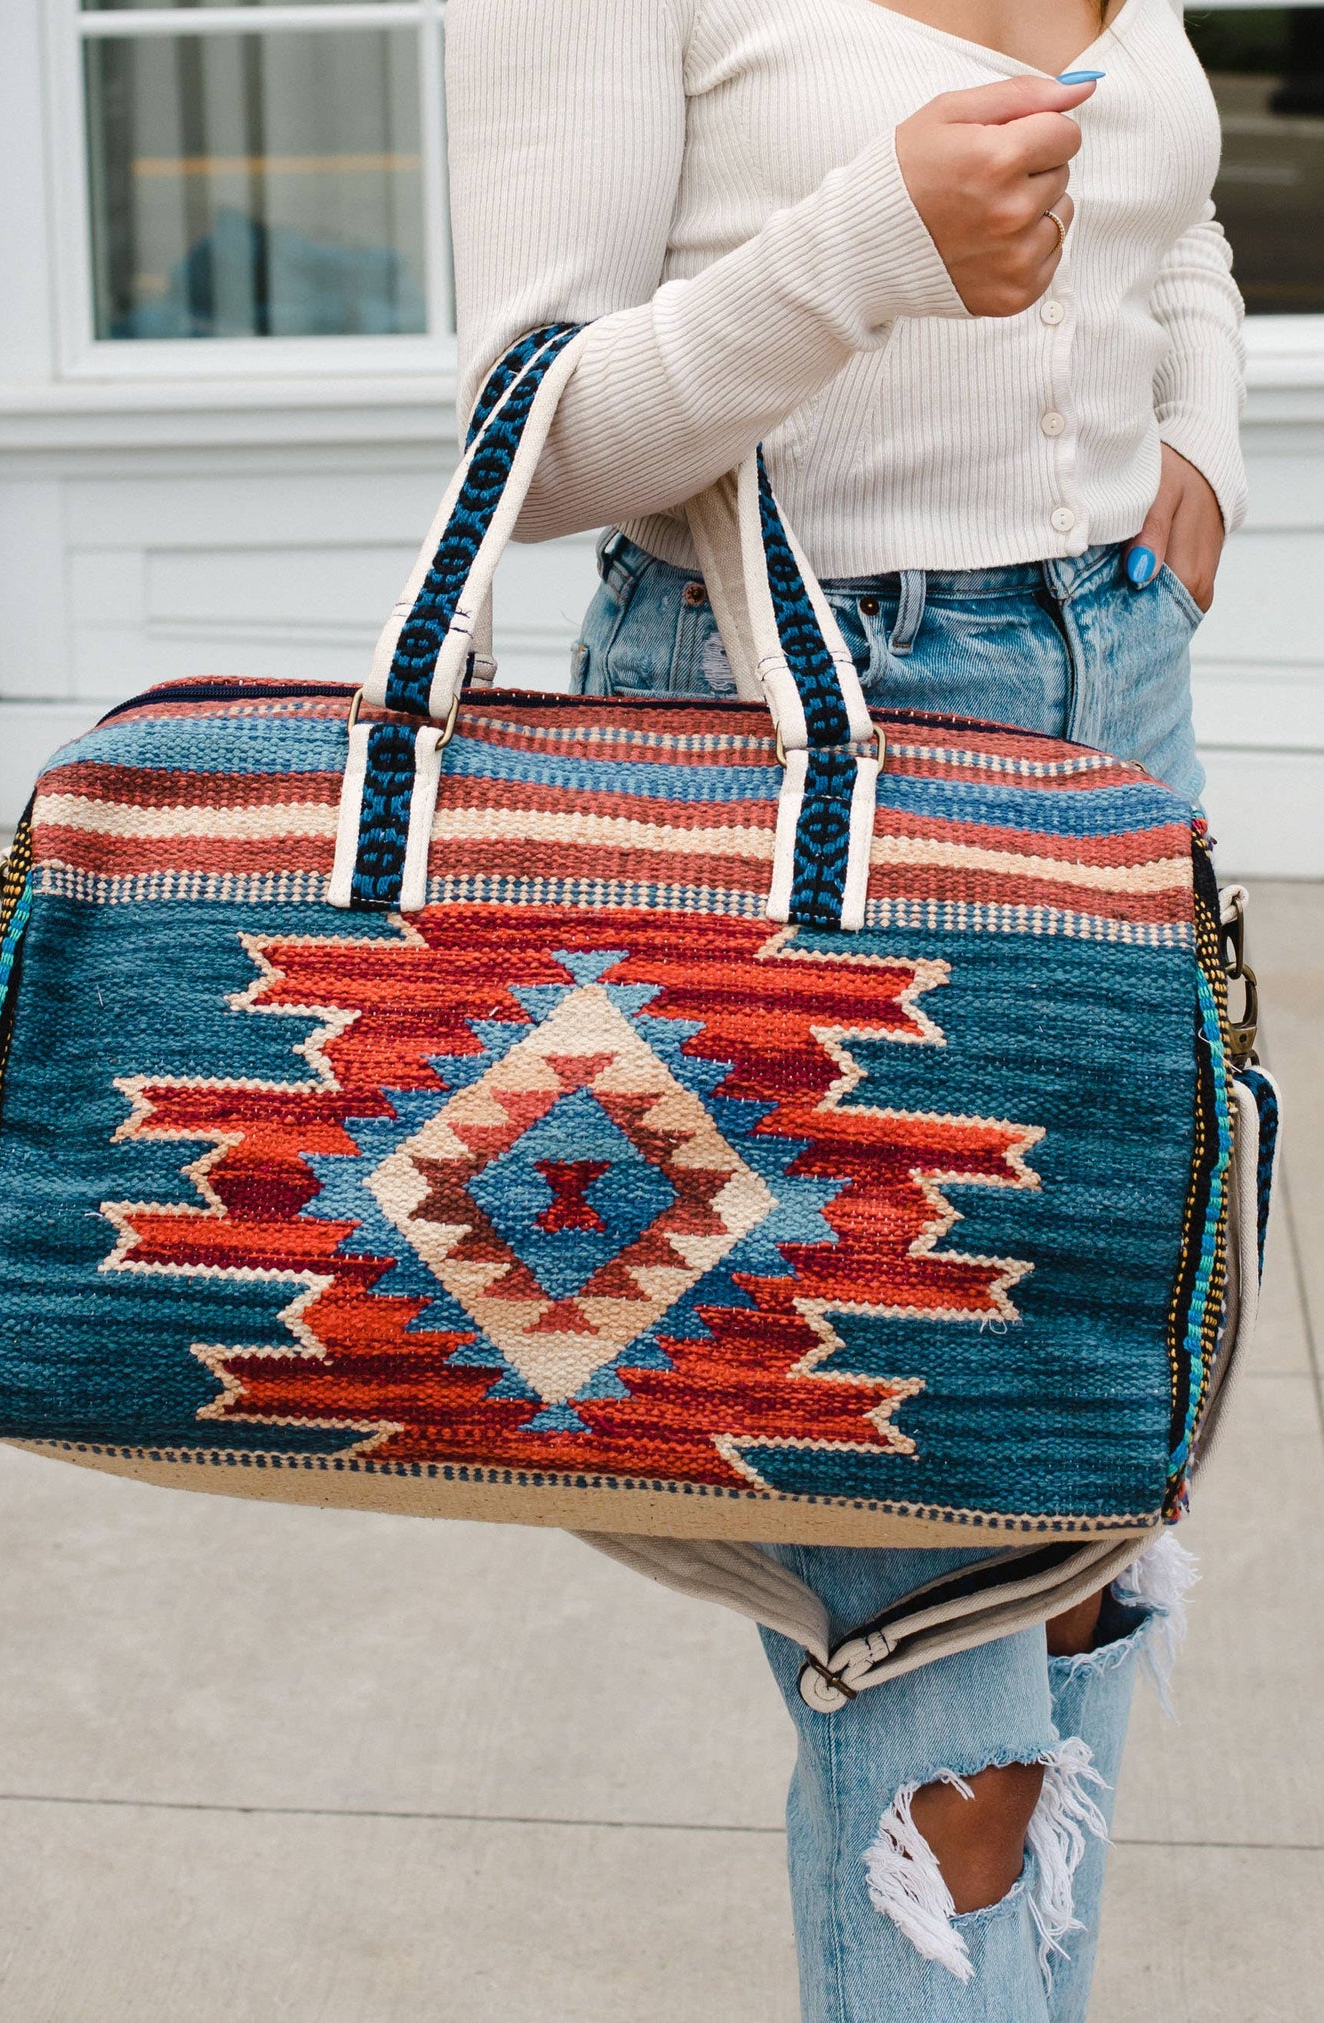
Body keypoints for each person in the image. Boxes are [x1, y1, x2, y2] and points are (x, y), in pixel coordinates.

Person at [445, 2, 1243, 2015]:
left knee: (1084, 1557)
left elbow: (1182, 211)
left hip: (1115, 744)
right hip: (802, 772)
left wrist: (1204, 442)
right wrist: (865, 246)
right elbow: (528, 438)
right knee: (942, 1662)